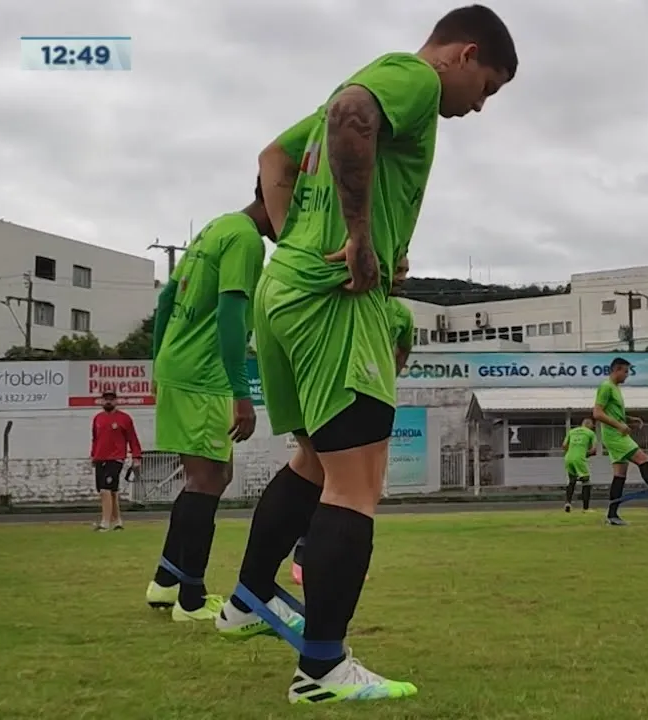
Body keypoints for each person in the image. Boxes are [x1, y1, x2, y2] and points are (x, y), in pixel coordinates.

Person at [217, 5, 517, 704]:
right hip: (332, 304)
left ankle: (245, 601)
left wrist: (309, 241)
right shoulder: (410, 77)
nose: (480, 107)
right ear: (463, 55)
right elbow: (354, 112)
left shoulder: (366, 86)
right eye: (488, 88)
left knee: (314, 460)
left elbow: (274, 158)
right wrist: (354, 237)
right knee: (355, 485)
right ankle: (322, 669)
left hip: (288, 291)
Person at [145, 182, 270, 622]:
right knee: (208, 478)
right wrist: (242, 391)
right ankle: (191, 600)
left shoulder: (215, 228)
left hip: (180, 367)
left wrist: (157, 363)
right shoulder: (246, 239)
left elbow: (165, 298)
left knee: (211, 475)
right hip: (205, 374)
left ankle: (165, 583)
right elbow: (232, 313)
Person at [290, 255, 415, 586]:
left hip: (375, 395)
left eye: (406, 270)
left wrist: (387, 377)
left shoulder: (401, 314)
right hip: (337, 392)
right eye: (398, 269)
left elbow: (402, 352)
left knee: (365, 490)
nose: (402, 276)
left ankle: (345, 559)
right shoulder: (352, 297)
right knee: (332, 482)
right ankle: (306, 551)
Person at [596, 357, 648, 527]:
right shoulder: (606, 387)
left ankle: (612, 515)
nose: (627, 375)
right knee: (643, 459)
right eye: (625, 371)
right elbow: (597, 413)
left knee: (620, 475)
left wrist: (628, 418)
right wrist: (619, 425)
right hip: (614, 436)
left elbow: (611, 412)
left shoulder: (615, 389)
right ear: (617, 369)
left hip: (616, 434)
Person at [89, 390, 142, 531]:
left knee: (106, 489)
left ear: (116, 401)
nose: (108, 401)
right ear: (101, 401)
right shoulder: (97, 419)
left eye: (111, 399)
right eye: (106, 399)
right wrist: (93, 455)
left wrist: (136, 457)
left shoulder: (124, 418)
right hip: (100, 458)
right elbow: (95, 439)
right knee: (110, 491)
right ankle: (118, 521)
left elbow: (133, 438)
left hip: (116, 458)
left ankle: (105, 523)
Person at [561, 418, 598, 513]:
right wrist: (585, 454)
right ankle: (586, 508)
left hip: (568, 457)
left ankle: (568, 503)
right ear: (590, 425)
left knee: (572, 481)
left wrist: (572, 451)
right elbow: (594, 450)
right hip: (579, 458)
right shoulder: (590, 433)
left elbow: (564, 445)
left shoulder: (572, 431)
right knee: (586, 482)